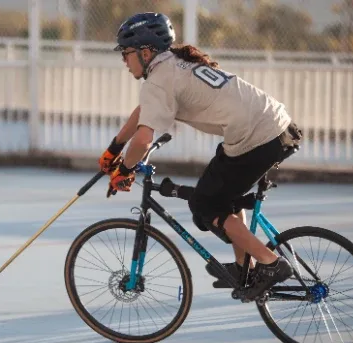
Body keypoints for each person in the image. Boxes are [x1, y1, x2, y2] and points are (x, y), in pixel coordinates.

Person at [98, 12, 303, 301]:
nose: (123, 60)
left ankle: (270, 263)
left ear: (145, 52)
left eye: (126, 53)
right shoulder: (172, 63)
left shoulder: (159, 79)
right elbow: (145, 111)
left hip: (257, 137)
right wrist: (114, 149)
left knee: (205, 204)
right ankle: (245, 267)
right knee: (224, 195)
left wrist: (125, 170)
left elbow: (143, 140)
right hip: (273, 127)